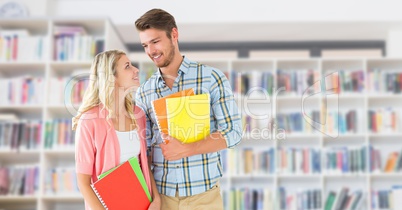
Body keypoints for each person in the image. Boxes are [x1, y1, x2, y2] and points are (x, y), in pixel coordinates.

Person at [135, 8, 242, 210]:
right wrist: (154, 199)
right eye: (145, 45)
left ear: (174, 35)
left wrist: (188, 149)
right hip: (162, 198)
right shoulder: (144, 92)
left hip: (204, 197)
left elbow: (234, 133)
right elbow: (144, 152)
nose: (151, 51)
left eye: (155, 42)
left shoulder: (211, 78)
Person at [72, 50, 161, 210]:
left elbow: (144, 163)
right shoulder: (89, 121)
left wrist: (156, 200)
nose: (136, 70)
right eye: (127, 66)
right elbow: (83, 183)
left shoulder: (138, 115)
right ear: (111, 77)